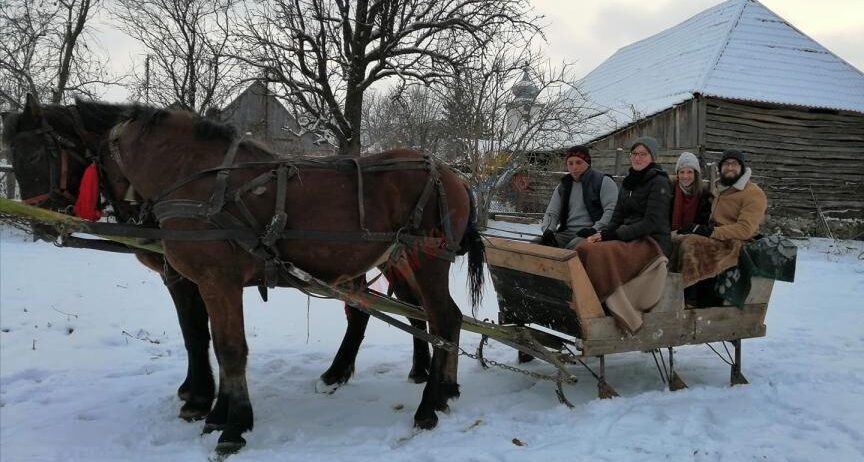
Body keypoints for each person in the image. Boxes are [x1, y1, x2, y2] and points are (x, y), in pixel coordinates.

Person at [578, 136, 672, 333]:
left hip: (651, 241)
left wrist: (615, 235)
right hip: (630, 237)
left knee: (600, 253)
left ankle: (604, 302)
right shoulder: (628, 182)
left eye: (643, 154)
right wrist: (602, 232)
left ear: (652, 157)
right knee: (585, 247)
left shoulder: (659, 182)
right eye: (634, 154)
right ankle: (583, 301)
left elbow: (650, 222)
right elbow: (616, 216)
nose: (637, 158)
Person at [676, 149, 768, 305]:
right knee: (675, 238)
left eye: (734, 164)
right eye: (726, 164)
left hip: (738, 242)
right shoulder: (723, 189)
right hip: (719, 237)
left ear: (742, 168)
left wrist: (710, 231)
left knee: (692, 243)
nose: (730, 167)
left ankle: (691, 298)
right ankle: (671, 290)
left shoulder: (753, 193)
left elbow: (745, 229)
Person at [540, 145, 618, 249]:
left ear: (588, 163)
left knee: (570, 251)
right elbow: (552, 212)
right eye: (570, 163)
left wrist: (595, 229)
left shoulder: (602, 181)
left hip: (593, 233)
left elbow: (611, 211)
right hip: (566, 233)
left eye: (578, 162)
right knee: (537, 247)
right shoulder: (564, 186)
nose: (574, 167)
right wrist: (548, 230)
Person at [670, 151, 712, 232]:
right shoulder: (670, 191)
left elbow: (704, 223)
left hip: (693, 240)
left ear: (695, 174)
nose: (685, 176)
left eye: (689, 172)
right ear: (677, 174)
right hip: (670, 237)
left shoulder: (704, 196)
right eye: (682, 172)